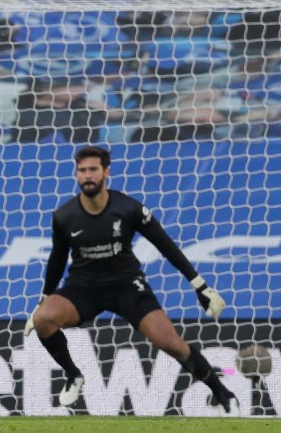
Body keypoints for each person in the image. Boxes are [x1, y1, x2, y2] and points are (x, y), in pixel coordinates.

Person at [24, 145, 238, 415]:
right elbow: (56, 259)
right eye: (82, 171)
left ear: (106, 172)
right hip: (83, 287)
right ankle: (73, 375)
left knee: (171, 344)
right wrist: (43, 300)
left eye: (93, 169)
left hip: (126, 284)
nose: (87, 176)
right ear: (76, 174)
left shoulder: (128, 208)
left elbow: (165, 245)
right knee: (44, 319)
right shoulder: (65, 216)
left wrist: (199, 285)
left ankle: (223, 394)